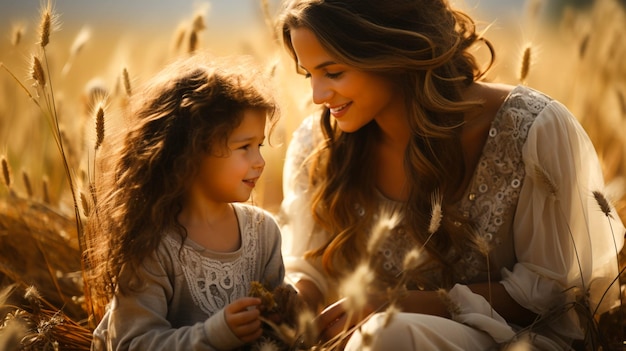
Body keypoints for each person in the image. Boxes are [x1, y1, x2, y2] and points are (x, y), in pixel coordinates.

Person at [275, 0, 626, 350]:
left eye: (333, 73)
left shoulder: (532, 129)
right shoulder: (319, 146)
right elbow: (308, 268)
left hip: (511, 340)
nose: (318, 96)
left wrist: (394, 306)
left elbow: (553, 296)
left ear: (394, 51)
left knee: (387, 336)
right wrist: (292, 300)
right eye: (310, 75)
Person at [87, 54, 285, 351]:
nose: (259, 161)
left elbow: (279, 328)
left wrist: (291, 312)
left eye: (259, 145)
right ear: (191, 152)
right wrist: (214, 335)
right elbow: (132, 343)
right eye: (244, 147)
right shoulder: (152, 245)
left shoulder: (264, 232)